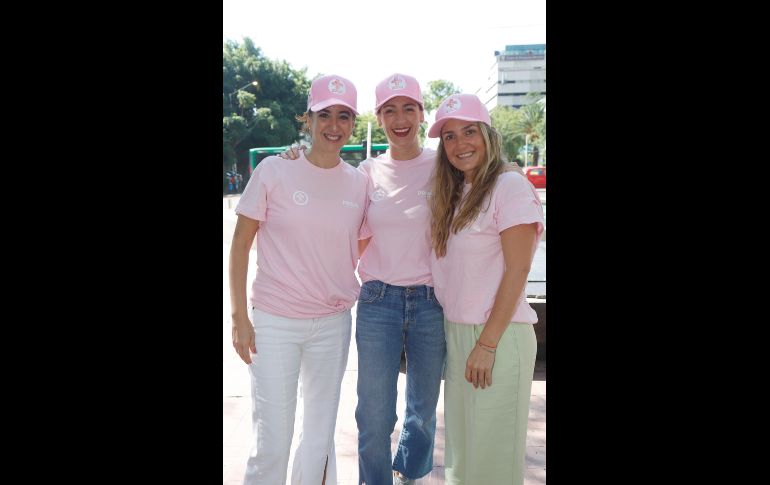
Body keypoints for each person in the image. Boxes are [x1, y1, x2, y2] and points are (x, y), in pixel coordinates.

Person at [282, 73, 446, 485]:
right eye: (390, 110)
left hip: (432, 303)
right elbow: (322, 189)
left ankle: (411, 471)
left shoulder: (445, 167)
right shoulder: (365, 174)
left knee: (422, 413)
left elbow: (483, 180)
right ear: (379, 117)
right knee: (374, 416)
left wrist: (509, 168)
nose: (400, 118)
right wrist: (292, 159)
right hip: (378, 302)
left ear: (422, 114)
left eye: (408, 107)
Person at [229, 74, 368, 485]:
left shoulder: (359, 183)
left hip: (333, 324)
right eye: (324, 114)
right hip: (274, 323)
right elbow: (239, 247)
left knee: (319, 438)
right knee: (273, 437)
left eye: (344, 116)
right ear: (307, 118)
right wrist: (240, 318)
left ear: (352, 123)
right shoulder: (274, 170)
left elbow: (359, 245)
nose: (334, 125)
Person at [427, 93, 544, 485]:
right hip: (460, 334)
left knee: (492, 458)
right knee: (464, 455)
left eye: (469, 132)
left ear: (488, 134)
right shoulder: (459, 191)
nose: (460, 144)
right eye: (449, 137)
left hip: (497, 334)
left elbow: (519, 267)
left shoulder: (509, 185)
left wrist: (488, 343)